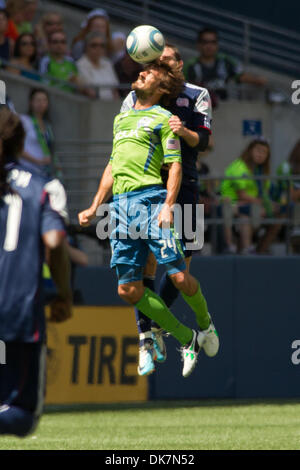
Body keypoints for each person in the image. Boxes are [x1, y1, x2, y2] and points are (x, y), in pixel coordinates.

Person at [78, 60, 219, 379]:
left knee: (180, 276)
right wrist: (94, 205)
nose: (141, 71)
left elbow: (178, 164)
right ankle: (184, 338)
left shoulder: (165, 118)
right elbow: (112, 165)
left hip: (157, 200)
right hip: (122, 207)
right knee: (127, 289)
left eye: (150, 71)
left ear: (163, 86)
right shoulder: (121, 118)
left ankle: (205, 324)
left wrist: (169, 204)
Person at [120, 43, 213, 375]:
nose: (159, 66)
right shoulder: (140, 96)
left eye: (166, 61)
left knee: (178, 273)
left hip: (184, 185)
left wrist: (183, 131)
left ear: (179, 63)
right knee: (143, 268)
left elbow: (205, 141)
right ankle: (146, 336)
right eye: (155, 62)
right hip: (144, 190)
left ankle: (171, 328)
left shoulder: (197, 94)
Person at [0, 106, 72, 437]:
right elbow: (55, 241)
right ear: (20, 144)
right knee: (21, 414)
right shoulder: (42, 186)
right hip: (18, 309)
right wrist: (64, 295)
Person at [221, 138, 278, 254]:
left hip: (250, 203)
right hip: (231, 202)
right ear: (250, 150)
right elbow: (241, 194)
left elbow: (264, 193)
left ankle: (258, 250)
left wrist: (269, 204)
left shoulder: (262, 170)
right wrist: (261, 203)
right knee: (248, 216)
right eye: (258, 150)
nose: (260, 155)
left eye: (264, 152)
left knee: (279, 216)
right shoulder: (240, 166)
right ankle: (244, 249)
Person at [184, 27, 267, 107]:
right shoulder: (190, 65)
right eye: (205, 42)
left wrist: (257, 80)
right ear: (198, 44)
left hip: (223, 106)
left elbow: (240, 76)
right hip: (199, 108)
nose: (209, 46)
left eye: (213, 42)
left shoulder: (225, 61)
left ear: (217, 44)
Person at [19, 88, 59, 178]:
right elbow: (16, 147)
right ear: (31, 102)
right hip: (26, 170)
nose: (41, 104)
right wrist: (38, 161)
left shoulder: (47, 125)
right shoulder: (23, 120)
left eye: (44, 100)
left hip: (43, 172)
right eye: (38, 100)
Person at [76, 31, 119, 101]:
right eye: (94, 45)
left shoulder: (108, 63)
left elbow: (115, 91)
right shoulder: (80, 65)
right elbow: (88, 91)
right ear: (86, 47)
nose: (98, 48)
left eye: (102, 45)